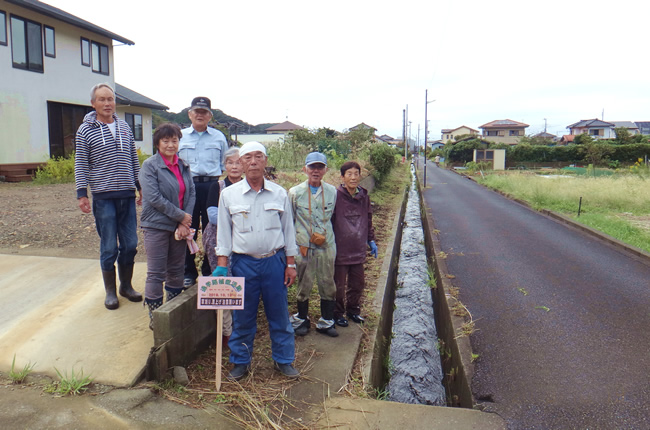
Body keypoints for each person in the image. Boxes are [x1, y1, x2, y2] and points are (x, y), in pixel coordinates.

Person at [214, 141, 299, 381]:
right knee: (243, 315)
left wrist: (290, 264)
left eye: (258, 157)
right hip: (243, 263)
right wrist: (222, 265)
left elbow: (288, 231)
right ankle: (240, 361)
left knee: (279, 314)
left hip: (275, 262)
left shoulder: (279, 193)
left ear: (265, 161)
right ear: (240, 163)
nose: (253, 162)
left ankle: (283, 359)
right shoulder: (228, 195)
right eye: (248, 157)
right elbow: (224, 233)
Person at [75, 83, 143, 310]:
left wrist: (139, 185)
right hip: (103, 197)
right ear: (93, 103)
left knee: (131, 244)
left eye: (110, 99)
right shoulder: (85, 130)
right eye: (102, 99)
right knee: (109, 248)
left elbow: (133, 159)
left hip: (126, 194)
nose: (107, 104)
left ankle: (126, 286)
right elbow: (81, 163)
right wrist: (81, 193)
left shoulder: (124, 127)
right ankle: (111, 292)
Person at [139, 123, 196, 329]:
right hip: (156, 224)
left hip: (179, 226)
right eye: (166, 141)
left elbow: (191, 192)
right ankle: (156, 317)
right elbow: (154, 197)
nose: (171, 145)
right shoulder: (150, 166)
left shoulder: (183, 165)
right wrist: (181, 217)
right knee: (156, 272)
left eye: (175, 140)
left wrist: (184, 221)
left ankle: (172, 310)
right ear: (157, 143)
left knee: (176, 269)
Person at [178, 97, 229, 288]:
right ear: (190, 114)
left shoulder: (218, 137)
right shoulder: (181, 136)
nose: (200, 115)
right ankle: (188, 272)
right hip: (187, 186)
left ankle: (209, 270)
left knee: (212, 230)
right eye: (196, 111)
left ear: (210, 116)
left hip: (211, 186)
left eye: (204, 112)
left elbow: (226, 163)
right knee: (187, 228)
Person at [288, 152, 338, 337]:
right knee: (304, 282)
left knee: (327, 281)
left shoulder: (332, 191)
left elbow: (334, 216)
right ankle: (302, 319)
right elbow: (289, 219)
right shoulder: (294, 192)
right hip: (303, 245)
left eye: (319, 167)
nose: (315, 171)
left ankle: (326, 321)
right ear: (305, 169)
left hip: (326, 243)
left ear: (325, 169)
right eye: (312, 167)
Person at [202, 147, 242, 346]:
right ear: (224, 165)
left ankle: (240, 327)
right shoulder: (216, 187)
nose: (234, 166)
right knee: (224, 282)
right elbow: (213, 216)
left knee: (241, 282)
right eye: (230, 162)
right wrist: (240, 219)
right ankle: (227, 332)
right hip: (218, 242)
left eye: (238, 162)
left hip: (243, 242)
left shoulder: (248, 186)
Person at [331, 161, 377, 327]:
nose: (353, 177)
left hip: (358, 248)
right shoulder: (335, 196)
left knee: (357, 284)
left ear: (360, 176)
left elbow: (368, 219)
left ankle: (353, 310)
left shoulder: (363, 196)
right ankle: (337, 313)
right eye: (349, 174)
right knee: (339, 286)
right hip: (340, 249)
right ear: (342, 177)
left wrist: (371, 240)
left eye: (356, 174)